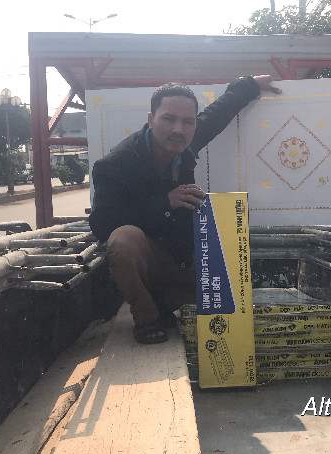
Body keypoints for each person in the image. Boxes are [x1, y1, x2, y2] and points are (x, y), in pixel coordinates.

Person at [89, 75, 281, 343]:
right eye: (168, 119)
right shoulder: (115, 165)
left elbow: (217, 115)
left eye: (188, 121)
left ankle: (170, 302)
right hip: (151, 263)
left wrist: (250, 84)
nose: (178, 129)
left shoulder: (184, 143)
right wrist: (164, 203)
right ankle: (147, 318)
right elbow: (101, 224)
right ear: (151, 119)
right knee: (123, 240)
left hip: (185, 262)